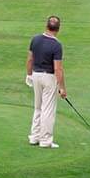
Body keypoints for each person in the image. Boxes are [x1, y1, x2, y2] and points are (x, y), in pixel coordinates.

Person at [26, 16, 66, 148]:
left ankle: (34, 137)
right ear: (58, 29)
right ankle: (45, 140)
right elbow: (58, 69)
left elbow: (30, 60)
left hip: (36, 76)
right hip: (49, 78)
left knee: (38, 107)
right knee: (48, 110)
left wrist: (29, 75)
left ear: (46, 26)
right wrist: (62, 88)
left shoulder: (35, 39)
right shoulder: (56, 45)